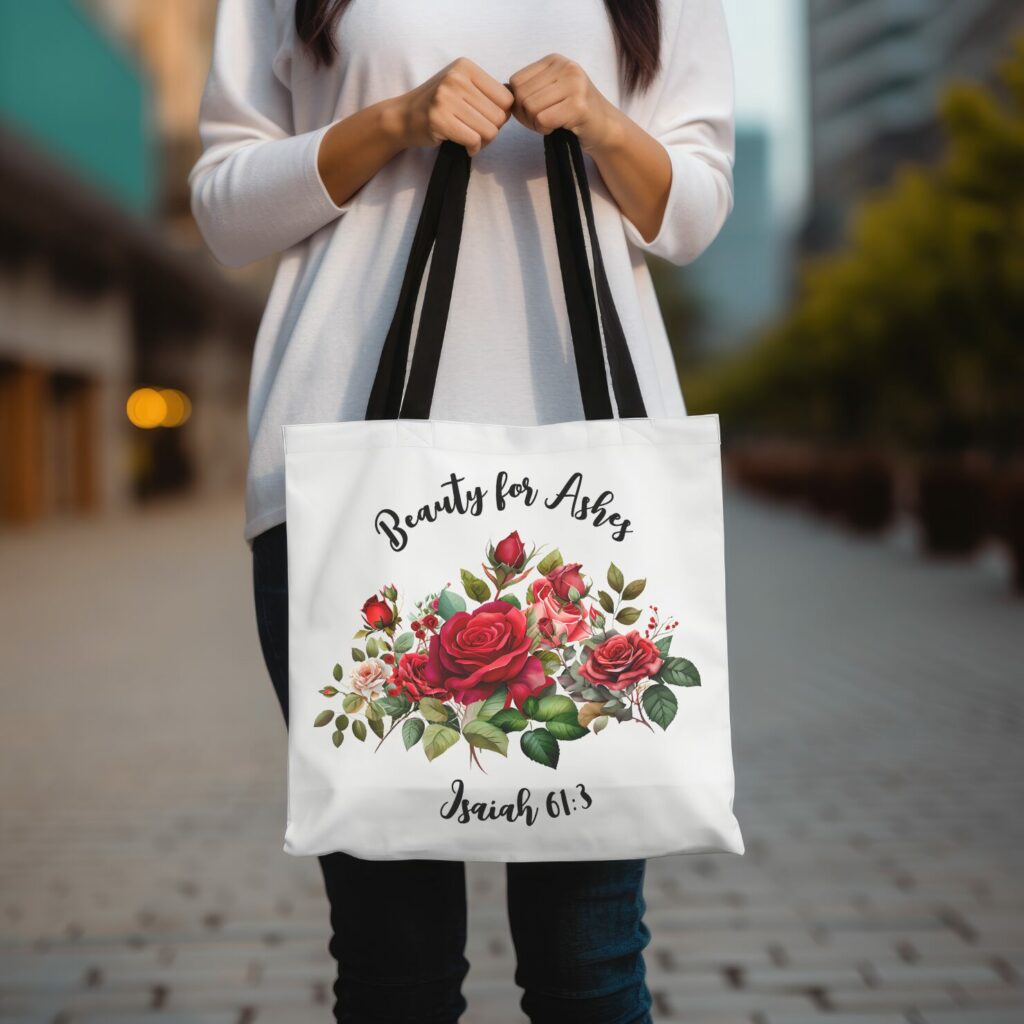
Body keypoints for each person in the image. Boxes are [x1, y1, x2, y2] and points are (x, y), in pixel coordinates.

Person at [189, 0, 734, 1020]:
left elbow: (695, 213)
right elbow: (224, 207)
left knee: (590, 962)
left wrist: (605, 125)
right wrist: (392, 124)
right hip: (345, 477)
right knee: (393, 965)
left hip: (594, 506)